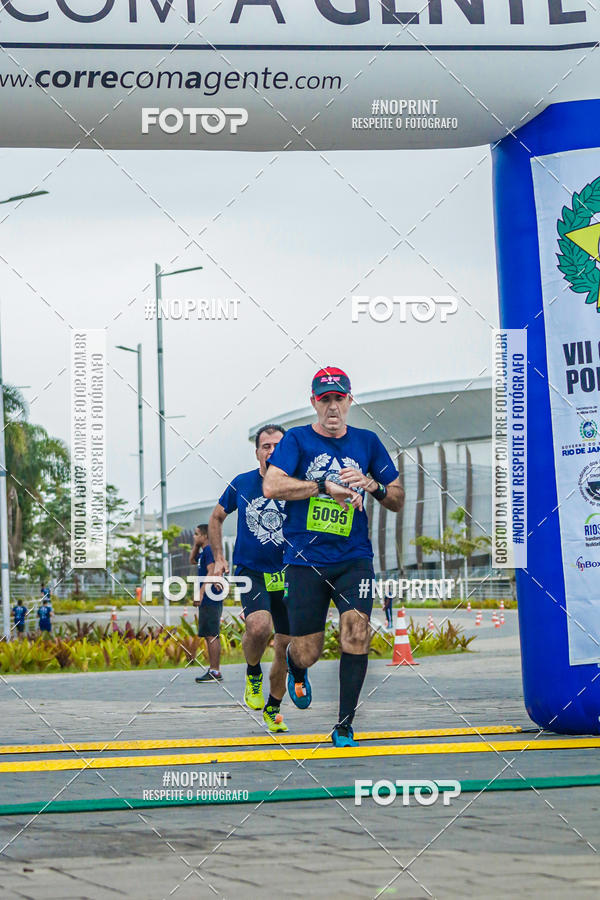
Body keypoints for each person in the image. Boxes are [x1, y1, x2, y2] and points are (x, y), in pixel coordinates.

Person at [263, 367, 404, 748]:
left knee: (356, 634)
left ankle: (344, 724)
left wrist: (372, 485)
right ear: (313, 402)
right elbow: (272, 485)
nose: (332, 407)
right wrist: (322, 487)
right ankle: (295, 667)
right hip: (304, 561)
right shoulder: (297, 440)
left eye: (338, 398)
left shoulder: (367, 442)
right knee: (309, 650)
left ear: (349, 401)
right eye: (324, 399)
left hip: (353, 558)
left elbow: (396, 498)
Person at [209, 424, 290, 733]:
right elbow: (216, 517)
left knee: (286, 644)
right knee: (259, 627)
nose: (271, 451)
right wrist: (219, 558)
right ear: (257, 452)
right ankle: (253, 671)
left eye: (277, 446)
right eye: (265, 446)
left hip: (289, 572)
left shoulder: (298, 485)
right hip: (252, 571)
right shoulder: (242, 484)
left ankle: (273, 707)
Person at [189, 524, 223, 682]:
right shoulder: (203, 552)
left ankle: (215, 671)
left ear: (204, 536)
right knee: (209, 634)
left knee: (212, 634)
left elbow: (211, 571)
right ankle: (213, 670)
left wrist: (200, 593)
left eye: (196, 534)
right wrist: (196, 545)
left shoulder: (209, 551)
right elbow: (191, 560)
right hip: (208, 599)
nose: (194, 537)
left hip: (210, 598)